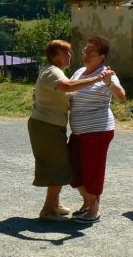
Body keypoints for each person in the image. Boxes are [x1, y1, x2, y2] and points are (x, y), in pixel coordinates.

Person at [28, 39, 113, 222]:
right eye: (65, 52)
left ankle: (55, 204)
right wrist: (99, 78)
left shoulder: (57, 71)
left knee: (60, 164)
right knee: (58, 165)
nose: (70, 56)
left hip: (50, 125)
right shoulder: (53, 71)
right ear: (55, 56)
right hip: (47, 125)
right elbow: (68, 87)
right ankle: (48, 209)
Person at [68, 36, 125, 224]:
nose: (86, 54)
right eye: (85, 50)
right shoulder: (78, 72)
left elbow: (121, 96)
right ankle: (86, 203)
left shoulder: (106, 73)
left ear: (102, 56)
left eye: (91, 52)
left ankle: (94, 210)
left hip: (98, 130)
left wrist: (109, 82)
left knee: (93, 171)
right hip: (78, 132)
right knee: (73, 168)